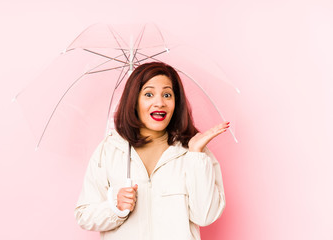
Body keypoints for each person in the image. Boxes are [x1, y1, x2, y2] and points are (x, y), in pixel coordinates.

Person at [74, 62, 227, 240]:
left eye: (167, 95)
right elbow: (84, 215)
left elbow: (205, 216)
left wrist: (196, 155)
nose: (159, 102)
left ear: (176, 103)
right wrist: (115, 208)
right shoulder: (109, 150)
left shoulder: (194, 151)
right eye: (148, 94)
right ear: (134, 101)